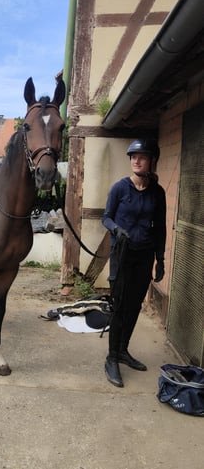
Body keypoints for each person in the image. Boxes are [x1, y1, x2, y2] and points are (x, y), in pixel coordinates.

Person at [102, 139, 166, 387]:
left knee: (134, 306)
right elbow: (106, 218)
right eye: (133, 157)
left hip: (144, 255)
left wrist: (160, 259)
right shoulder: (120, 188)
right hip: (122, 255)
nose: (136, 160)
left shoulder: (157, 193)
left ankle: (122, 350)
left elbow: (160, 229)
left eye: (142, 156)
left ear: (151, 160)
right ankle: (111, 358)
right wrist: (116, 229)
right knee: (119, 306)